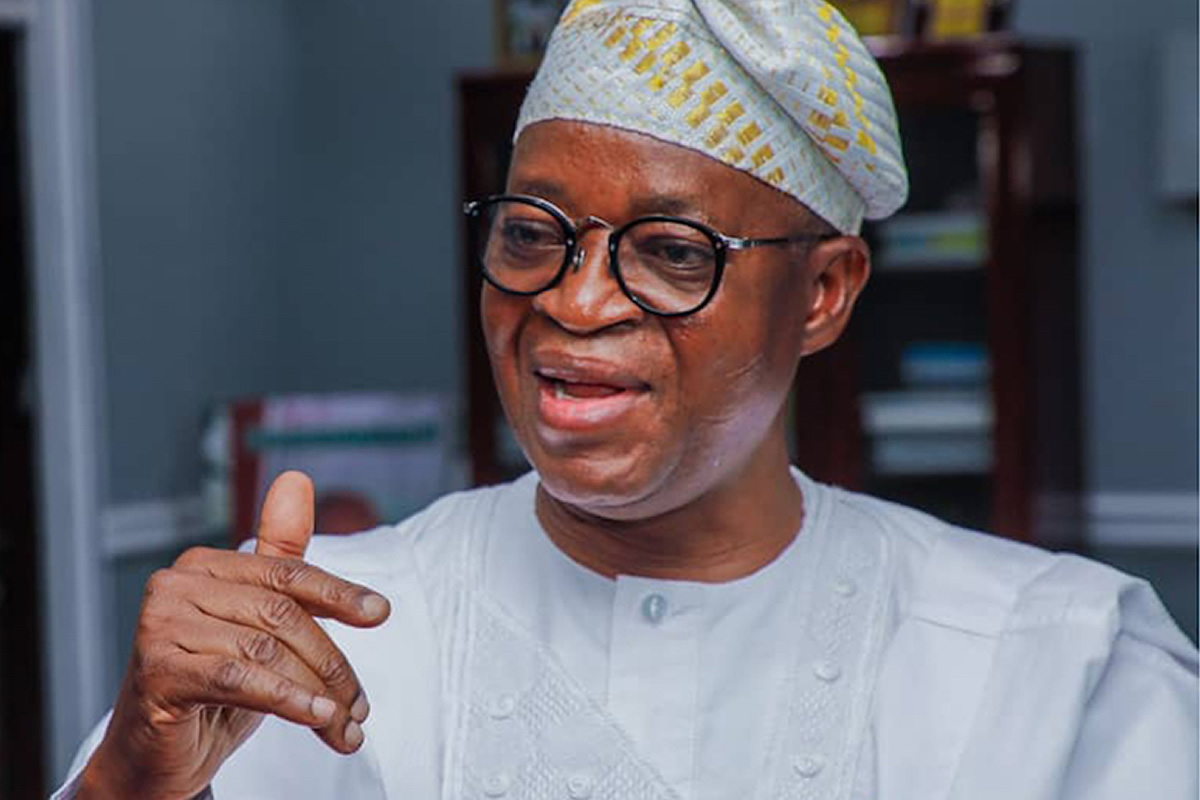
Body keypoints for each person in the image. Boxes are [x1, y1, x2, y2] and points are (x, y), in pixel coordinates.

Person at [57, 0, 1197, 798]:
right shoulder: (318, 640)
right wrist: (131, 784)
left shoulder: (1053, 665)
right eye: (531, 232)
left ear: (824, 292)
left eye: (669, 250)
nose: (576, 300)